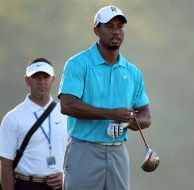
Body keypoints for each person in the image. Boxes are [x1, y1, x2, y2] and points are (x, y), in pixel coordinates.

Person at [58, 5, 151, 190]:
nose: (116, 31)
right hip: (84, 149)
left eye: (119, 26)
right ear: (96, 30)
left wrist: (129, 121)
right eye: (109, 26)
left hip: (118, 152)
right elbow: (67, 105)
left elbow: (146, 115)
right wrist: (111, 114)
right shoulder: (78, 64)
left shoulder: (132, 72)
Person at [0, 57, 68, 190]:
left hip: (62, 185)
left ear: (53, 80)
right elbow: (5, 163)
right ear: (27, 80)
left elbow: (76, 154)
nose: (41, 82)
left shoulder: (66, 114)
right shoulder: (13, 118)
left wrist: (66, 177)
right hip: (27, 184)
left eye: (46, 77)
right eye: (36, 77)